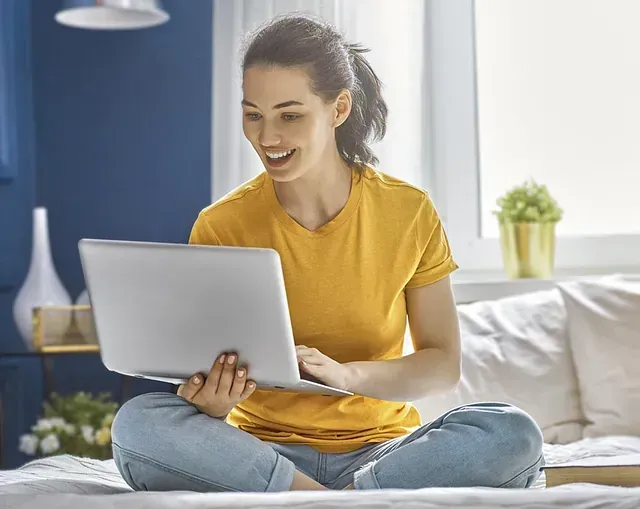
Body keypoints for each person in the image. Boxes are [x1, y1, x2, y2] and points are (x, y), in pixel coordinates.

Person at [111, 14, 544, 492]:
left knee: (511, 431)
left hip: (383, 452)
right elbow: (209, 368)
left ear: (339, 109)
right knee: (138, 423)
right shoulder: (221, 224)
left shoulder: (408, 211)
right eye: (253, 114)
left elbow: (442, 364)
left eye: (289, 115)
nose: (267, 137)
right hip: (261, 451)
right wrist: (212, 402)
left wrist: (346, 375)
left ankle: (329, 498)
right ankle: (330, 500)